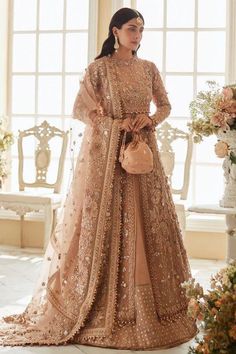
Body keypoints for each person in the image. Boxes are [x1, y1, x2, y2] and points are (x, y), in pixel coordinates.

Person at [0, 7, 197, 350]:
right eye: (132, 29)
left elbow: (165, 106)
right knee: (107, 226)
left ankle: (151, 308)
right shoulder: (99, 69)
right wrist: (114, 123)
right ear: (115, 31)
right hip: (107, 163)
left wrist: (148, 120)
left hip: (141, 159)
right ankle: (102, 305)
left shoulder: (148, 69)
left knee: (148, 224)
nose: (137, 35)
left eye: (141, 30)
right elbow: (81, 109)